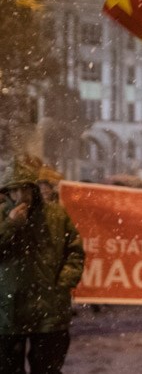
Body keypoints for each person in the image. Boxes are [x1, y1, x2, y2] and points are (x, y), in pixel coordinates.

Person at [0, 158, 85, 373]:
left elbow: (74, 251)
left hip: (49, 311)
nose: (20, 197)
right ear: (6, 193)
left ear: (33, 190)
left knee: (48, 368)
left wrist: (62, 284)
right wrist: (10, 226)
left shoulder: (55, 215)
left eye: (25, 189)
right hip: (8, 313)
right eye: (14, 191)